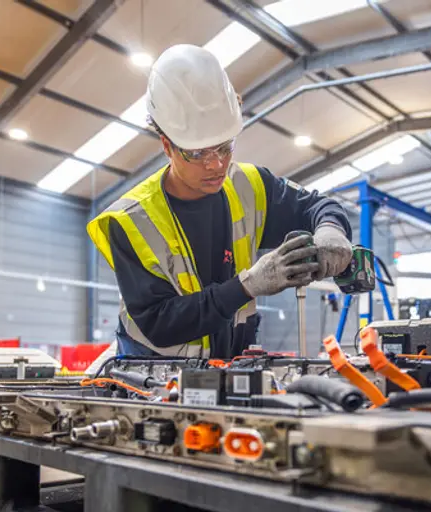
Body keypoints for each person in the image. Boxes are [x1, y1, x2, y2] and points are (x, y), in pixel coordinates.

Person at [87, 44, 353, 359]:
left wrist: (331, 231)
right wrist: (248, 285)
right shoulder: (131, 220)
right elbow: (159, 323)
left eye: (224, 147)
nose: (216, 165)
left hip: (228, 371)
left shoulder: (250, 186)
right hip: (152, 377)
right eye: (197, 153)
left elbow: (317, 207)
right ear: (167, 146)